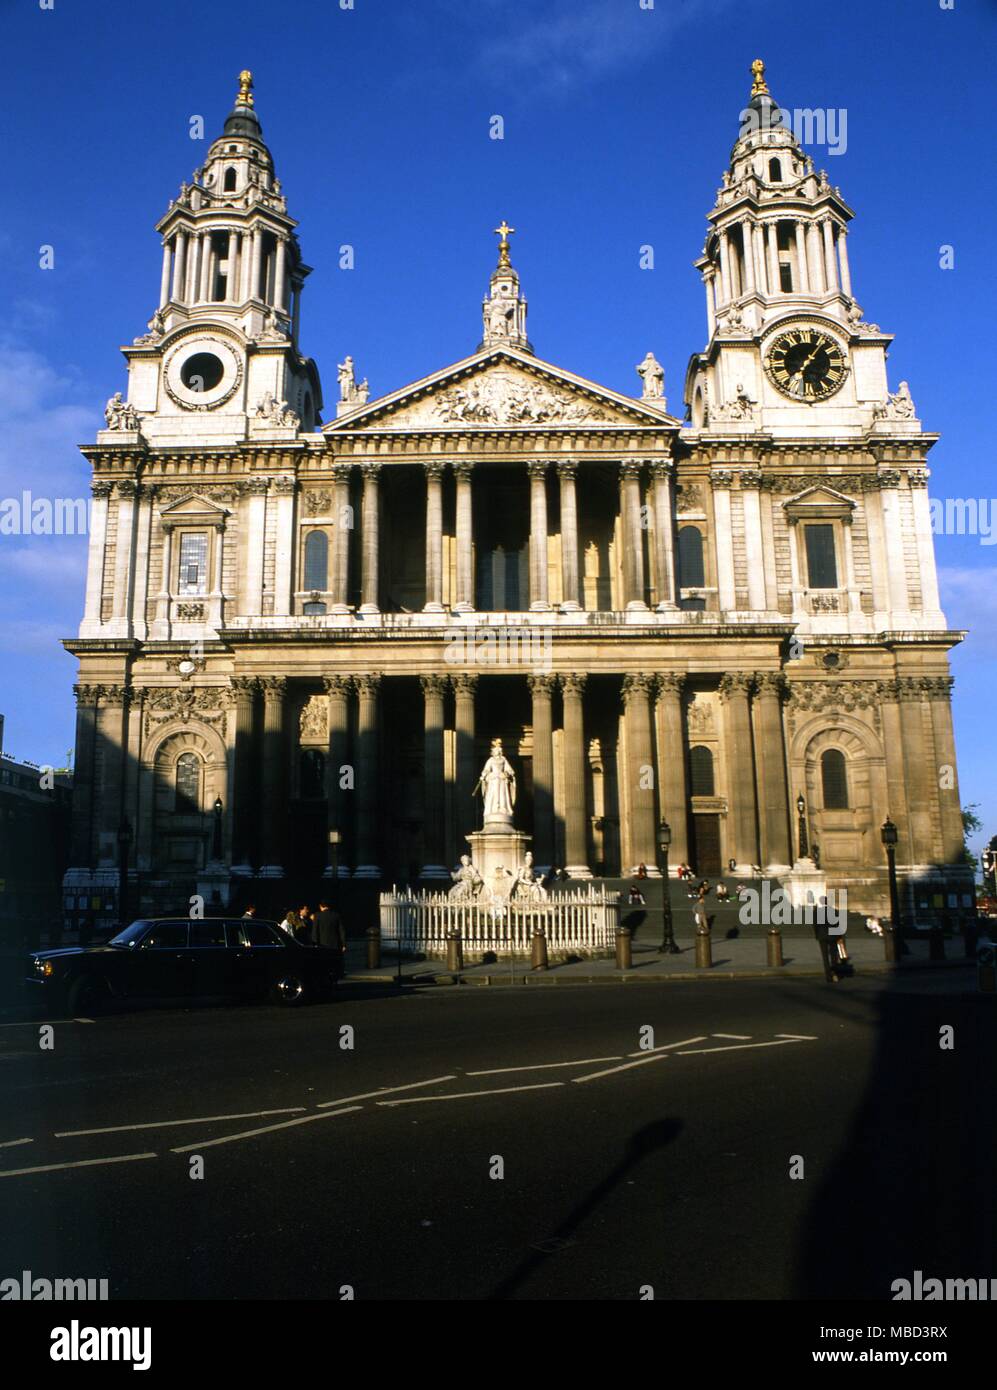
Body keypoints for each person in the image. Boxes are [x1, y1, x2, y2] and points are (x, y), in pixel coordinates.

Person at [314, 898, 346, 979]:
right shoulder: (336, 915)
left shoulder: (317, 916)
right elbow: (341, 931)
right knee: (334, 965)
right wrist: (343, 944)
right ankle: (334, 980)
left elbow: (315, 932)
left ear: (321, 906)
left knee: (324, 966)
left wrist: (315, 944)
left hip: (322, 945)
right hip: (335, 945)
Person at [813, 916, 839, 984]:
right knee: (834, 956)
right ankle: (834, 974)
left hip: (822, 935)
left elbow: (815, 925)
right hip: (832, 935)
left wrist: (817, 935)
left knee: (825, 957)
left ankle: (828, 976)